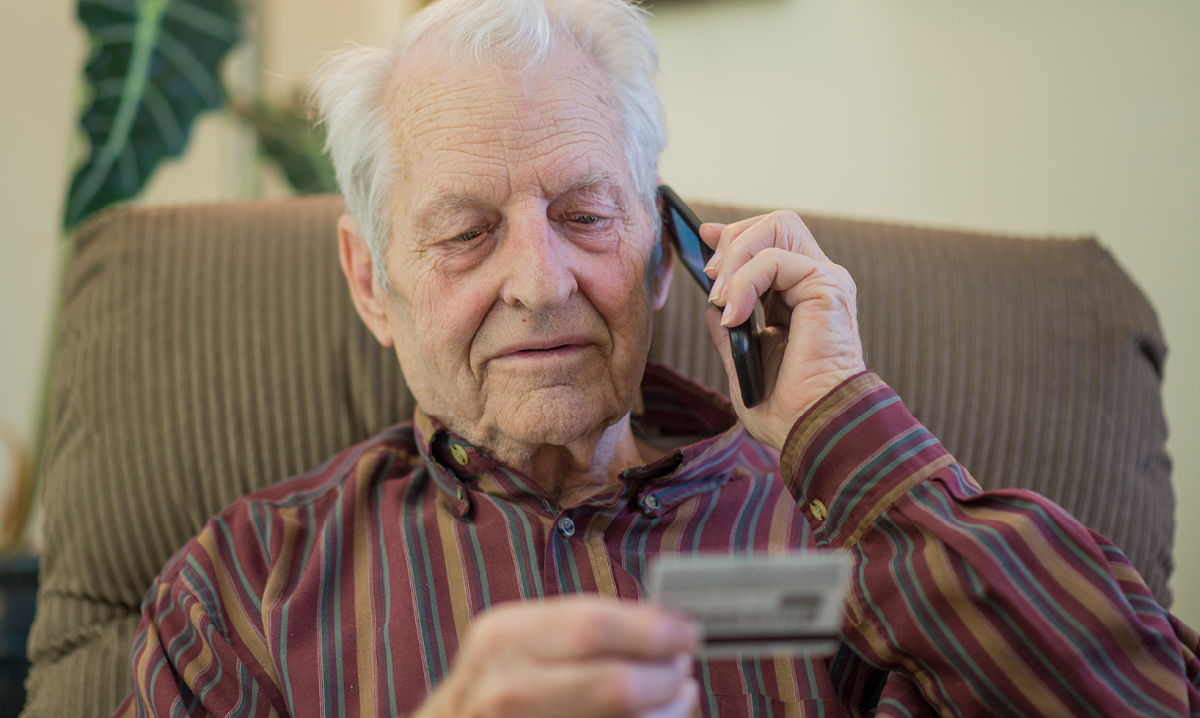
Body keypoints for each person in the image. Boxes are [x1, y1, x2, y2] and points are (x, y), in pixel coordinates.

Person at [113, 0, 1200, 716]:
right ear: (370, 282)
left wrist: (847, 427)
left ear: (670, 248)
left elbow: (1150, 696)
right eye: (466, 233)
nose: (542, 282)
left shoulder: (848, 541)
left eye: (587, 215)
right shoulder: (244, 593)